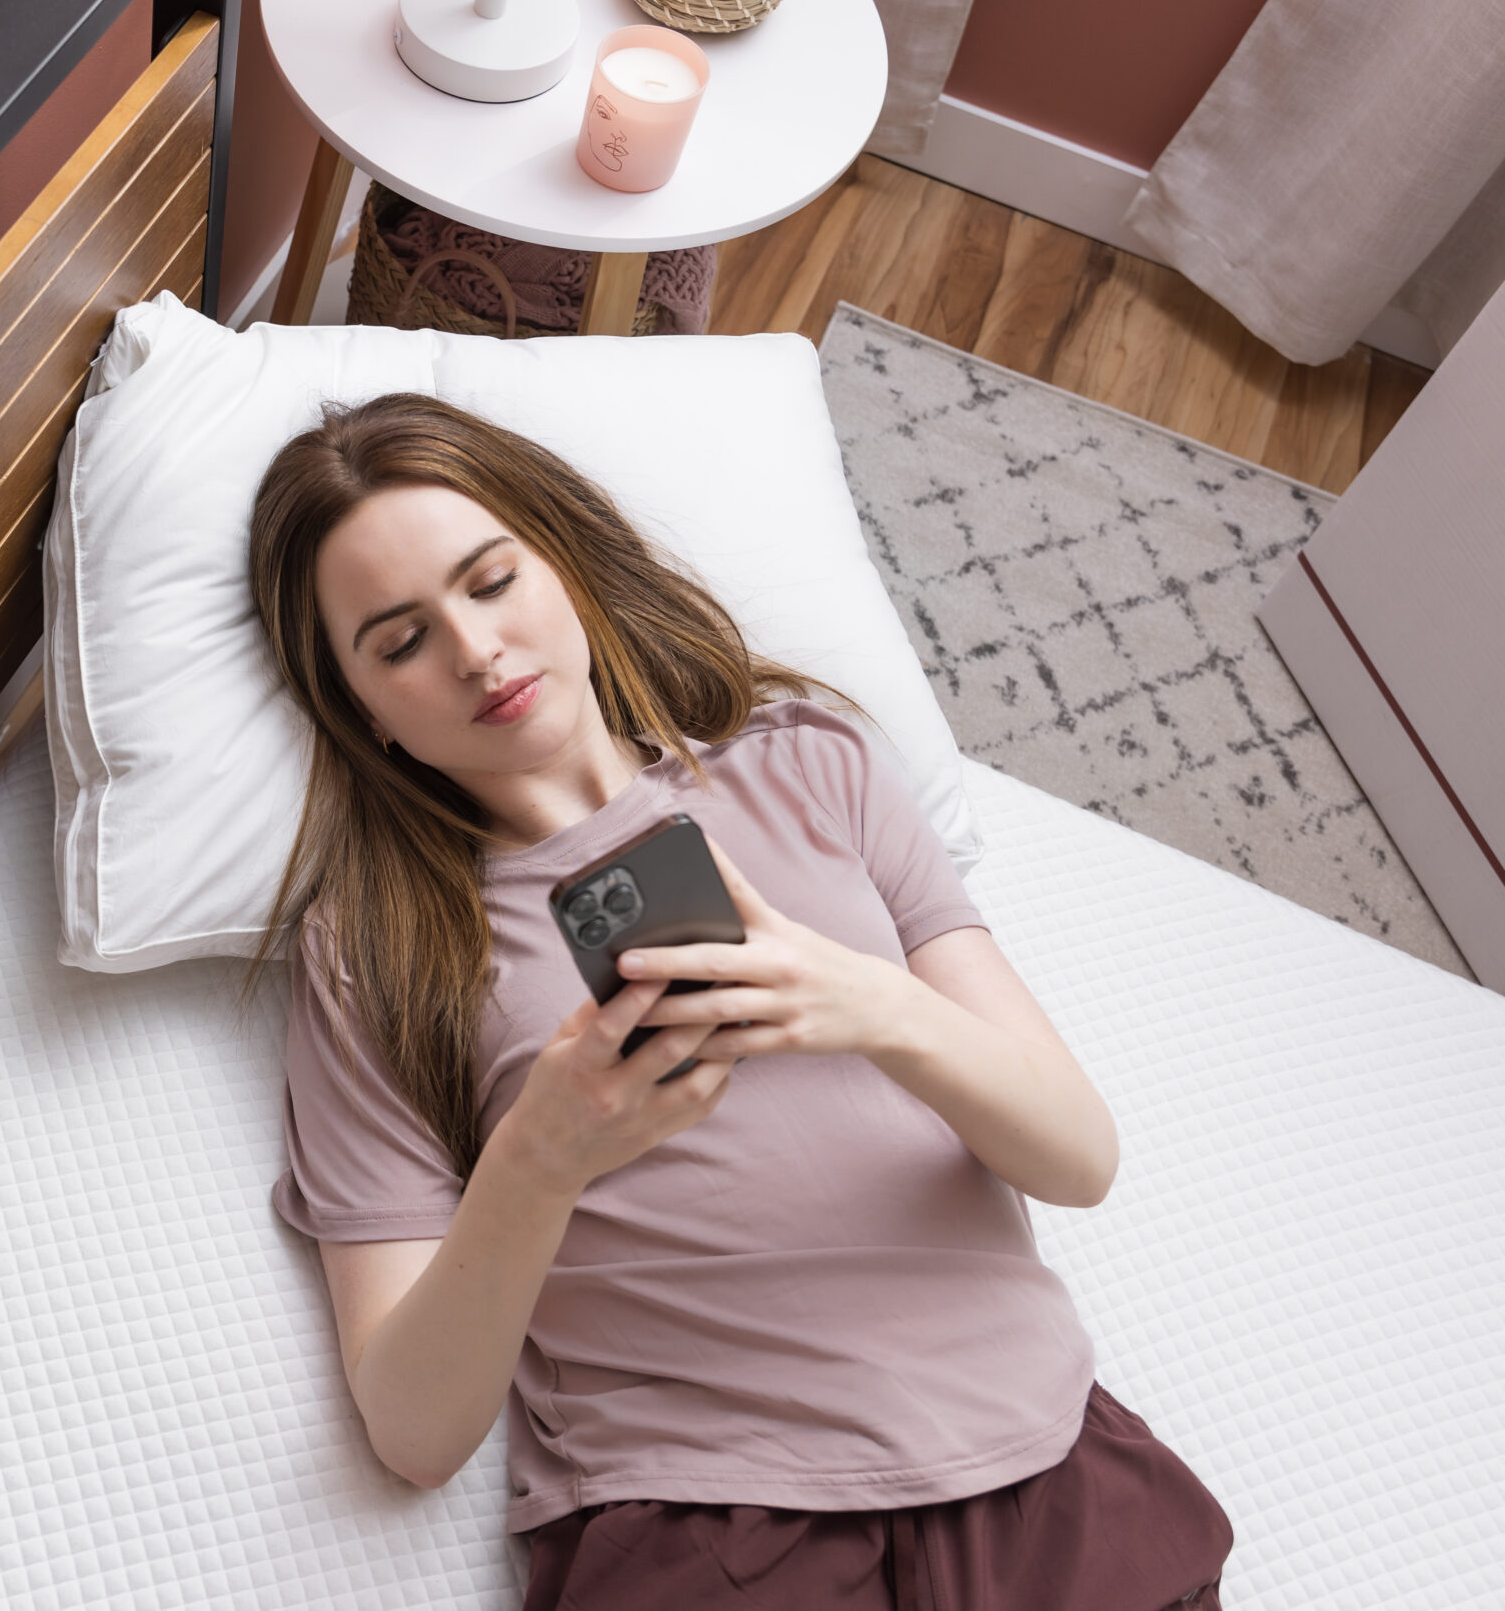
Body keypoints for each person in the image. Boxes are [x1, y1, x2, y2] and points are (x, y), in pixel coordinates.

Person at [246, 393, 1232, 1610]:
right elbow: (412, 1429)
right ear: (362, 715)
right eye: (399, 643)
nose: (474, 651)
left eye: (491, 580)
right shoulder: (377, 949)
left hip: (1036, 1454)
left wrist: (862, 1001)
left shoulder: (811, 759)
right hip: (705, 1517)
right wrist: (537, 1164)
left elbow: (1077, 1157)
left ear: (561, 563)